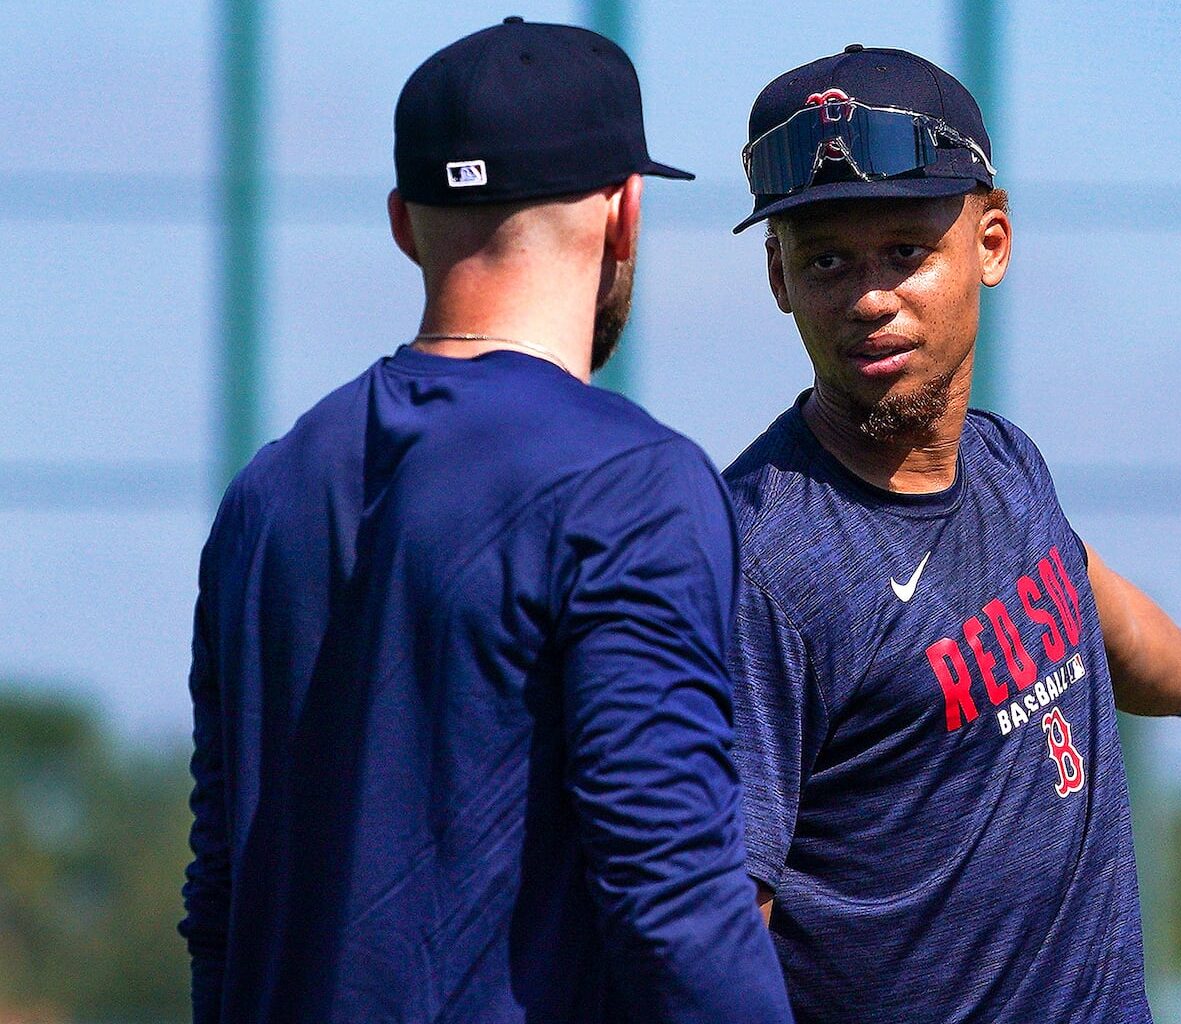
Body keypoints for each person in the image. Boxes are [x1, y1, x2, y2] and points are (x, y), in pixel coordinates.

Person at [178, 19, 792, 1024]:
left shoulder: (264, 494)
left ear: (403, 222)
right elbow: (675, 906)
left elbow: (222, 908)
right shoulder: (631, 486)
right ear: (623, 212)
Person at [724, 44, 1181, 1023]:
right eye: (827, 259)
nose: (870, 296)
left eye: (905, 251)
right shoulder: (763, 562)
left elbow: (1080, 598)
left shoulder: (1004, 468)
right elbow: (712, 934)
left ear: (992, 241)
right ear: (778, 276)